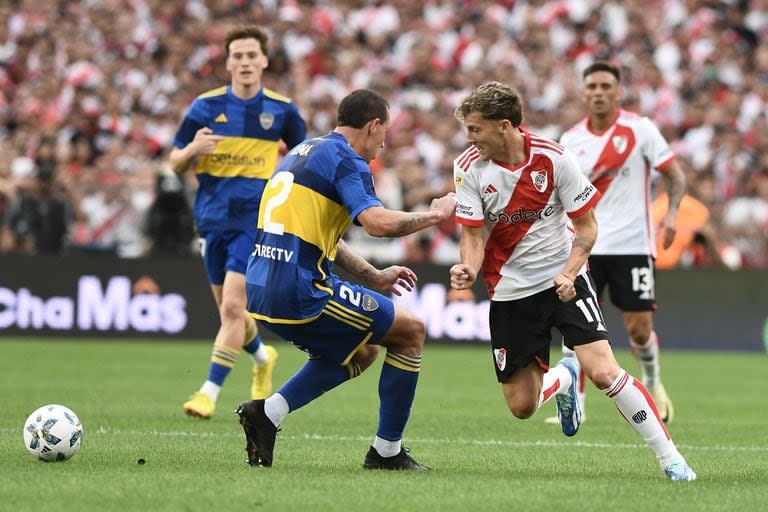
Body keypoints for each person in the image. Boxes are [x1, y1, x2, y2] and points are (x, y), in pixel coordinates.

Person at [449, 81, 696, 481]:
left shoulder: (554, 159)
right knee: (522, 406)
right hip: (510, 290)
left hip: (565, 279)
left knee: (603, 372)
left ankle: (671, 459)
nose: (469, 138)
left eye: (475, 129)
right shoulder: (467, 168)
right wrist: (469, 270)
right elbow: (473, 236)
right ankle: (564, 379)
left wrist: (569, 271)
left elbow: (586, 228)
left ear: (505, 126)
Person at [236, 89, 456, 470]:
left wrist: (372, 275)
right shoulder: (347, 161)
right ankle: (387, 453)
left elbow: (322, 235)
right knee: (410, 332)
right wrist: (433, 216)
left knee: (364, 349)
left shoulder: (304, 152)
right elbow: (376, 223)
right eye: (384, 133)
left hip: (258, 287)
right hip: (300, 289)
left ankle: (268, 413)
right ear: (372, 126)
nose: (384, 143)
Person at [169, 26, 307, 419]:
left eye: (252, 55)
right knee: (231, 314)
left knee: (233, 306)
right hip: (212, 219)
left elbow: (303, 158)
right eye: (238, 56)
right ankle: (263, 358)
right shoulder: (205, 107)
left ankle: (208, 392)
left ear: (264, 61)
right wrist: (194, 149)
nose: (245, 62)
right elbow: (174, 162)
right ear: (228, 63)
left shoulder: (282, 109)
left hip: (255, 221)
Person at [552, 61, 687, 424]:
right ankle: (573, 399)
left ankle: (653, 382)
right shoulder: (570, 140)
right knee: (574, 326)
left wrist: (672, 213)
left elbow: (675, 177)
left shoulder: (640, 129)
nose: (598, 92)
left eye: (605, 86)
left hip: (633, 245)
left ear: (617, 92)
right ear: (583, 93)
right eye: (592, 86)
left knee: (638, 329)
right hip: (585, 245)